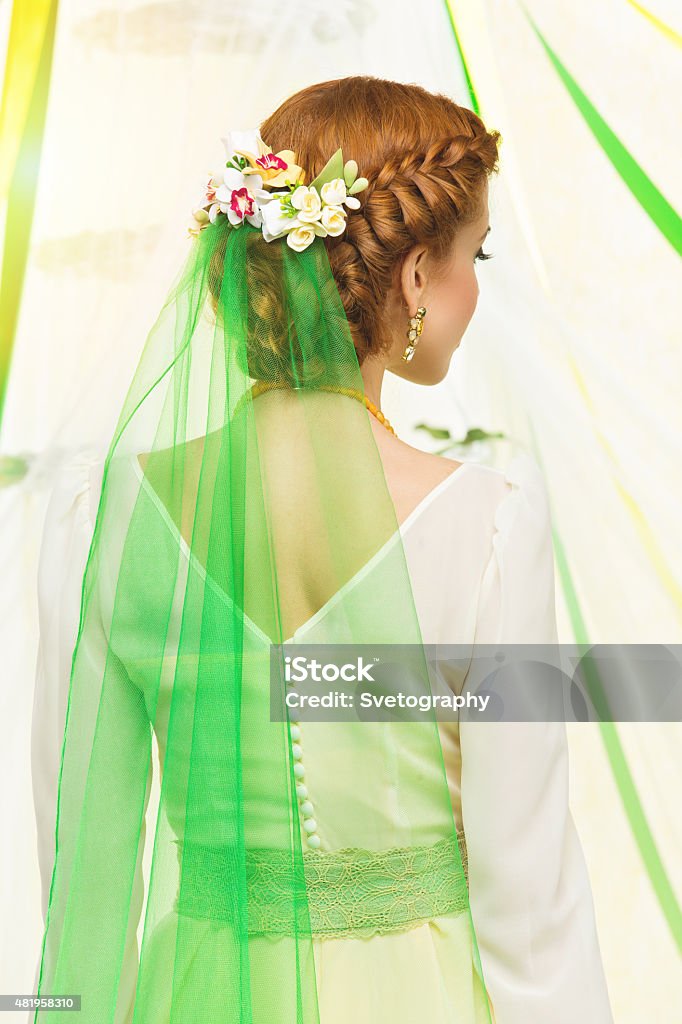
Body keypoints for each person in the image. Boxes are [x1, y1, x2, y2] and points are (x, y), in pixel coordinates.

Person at [31, 76, 613, 1023]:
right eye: (477, 255)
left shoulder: (97, 517)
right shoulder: (487, 527)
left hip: (197, 991)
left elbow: (81, 851)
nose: (476, 285)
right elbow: (529, 891)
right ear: (417, 276)